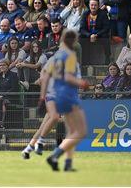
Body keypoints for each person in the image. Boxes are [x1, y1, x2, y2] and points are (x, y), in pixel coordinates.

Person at [39, 29, 88, 172]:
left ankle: (67, 163)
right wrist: (82, 83)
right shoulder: (70, 56)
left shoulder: (55, 57)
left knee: (71, 131)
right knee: (81, 131)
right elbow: (68, 77)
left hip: (57, 95)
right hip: (68, 95)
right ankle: (55, 155)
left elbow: (45, 77)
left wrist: (42, 97)